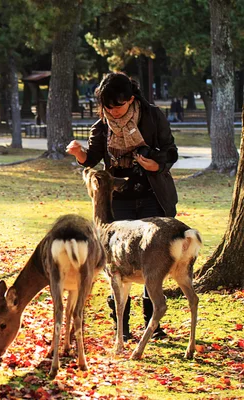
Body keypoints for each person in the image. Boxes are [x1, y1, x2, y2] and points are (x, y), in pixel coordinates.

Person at [66, 72, 179, 341]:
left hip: (153, 194)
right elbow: (92, 158)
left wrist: (157, 164)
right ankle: (122, 326)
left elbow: (171, 150)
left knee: (153, 259)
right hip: (119, 200)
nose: (112, 112)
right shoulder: (102, 127)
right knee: (117, 261)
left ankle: (153, 325)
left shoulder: (152, 117)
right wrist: (79, 154)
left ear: (130, 99)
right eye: (107, 108)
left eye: (117, 106)